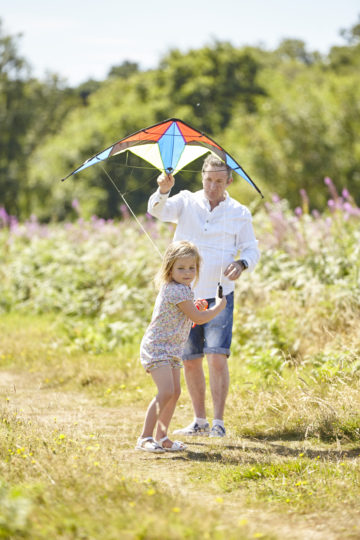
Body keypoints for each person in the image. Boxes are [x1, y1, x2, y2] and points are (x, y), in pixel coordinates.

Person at [147, 155, 260, 438]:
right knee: (190, 359)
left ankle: (219, 423)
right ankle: (199, 421)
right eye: (208, 180)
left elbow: (251, 249)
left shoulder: (239, 212)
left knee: (217, 357)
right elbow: (157, 211)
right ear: (202, 178)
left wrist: (242, 263)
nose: (212, 186)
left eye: (219, 181)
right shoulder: (186, 201)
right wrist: (163, 188)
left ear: (228, 181)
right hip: (185, 297)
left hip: (220, 294)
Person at [136, 240, 226, 453]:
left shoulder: (182, 289)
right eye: (181, 268)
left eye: (192, 268)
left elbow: (188, 318)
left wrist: (195, 309)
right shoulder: (177, 291)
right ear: (170, 268)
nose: (187, 273)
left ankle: (162, 437)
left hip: (172, 349)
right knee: (166, 391)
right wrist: (218, 306)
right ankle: (145, 437)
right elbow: (199, 319)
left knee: (174, 392)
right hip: (158, 348)